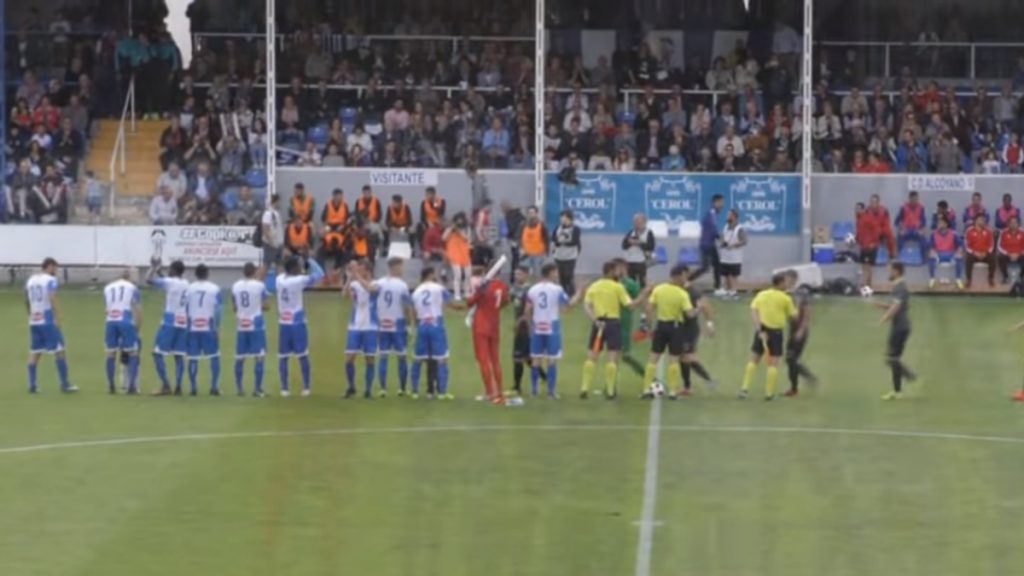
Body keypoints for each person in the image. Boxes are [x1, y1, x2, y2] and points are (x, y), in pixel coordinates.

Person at [581, 260, 649, 399]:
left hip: (598, 323)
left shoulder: (594, 286)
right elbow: (630, 306)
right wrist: (643, 294)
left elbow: (587, 305)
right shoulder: (617, 287)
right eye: (617, 271)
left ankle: (584, 388)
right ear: (611, 271)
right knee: (612, 357)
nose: (620, 273)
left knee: (592, 356)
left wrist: (595, 320)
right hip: (613, 323)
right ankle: (611, 391)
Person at [524, 263, 581, 399]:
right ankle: (551, 392)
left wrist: (530, 325)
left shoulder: (533, 289)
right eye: (555, 272)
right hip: (552, 326)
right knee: (552, 360)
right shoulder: (557, 289)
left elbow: (527, 310)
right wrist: (579, 294)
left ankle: (534, 391)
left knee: (536, 359)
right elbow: (566, 308)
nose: (557, 275)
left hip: (538, 326)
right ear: (550, 273)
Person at [739, 272, 796, 401]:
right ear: (780, 283)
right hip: (776, 333)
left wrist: (759, 328)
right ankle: (769, 393)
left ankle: (744, 388)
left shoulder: (762, 294)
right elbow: (793, 316)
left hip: (762, 331)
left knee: (754, 360)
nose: (788, 284)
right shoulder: (785, 298)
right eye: (786, 282)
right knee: (773, 363)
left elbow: (753, 310)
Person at [642, 265, 695, 399]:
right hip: (676, 328)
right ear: (677, 277)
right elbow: (690, 314)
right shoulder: (682, 294)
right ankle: (672, 391)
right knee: (674, 359)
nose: (685, 279)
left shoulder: (659, 289)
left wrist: (649, 327)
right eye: (684, 276)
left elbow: (649, 309)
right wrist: (697, 310)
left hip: (661, 326)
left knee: (653, 358)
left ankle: (646, 389)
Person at [276, 256, 325, 396]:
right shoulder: (299, 281)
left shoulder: (279, 279)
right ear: (294, 268)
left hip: (283, 323)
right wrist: (310, 259)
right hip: (297, 322)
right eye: (299, 266)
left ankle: (284, 388)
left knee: (283, 356)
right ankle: (306, 387)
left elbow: (287, 272)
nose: (301, 268)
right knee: (302, 354)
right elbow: (320, 274)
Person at [25, 257, 76, 393]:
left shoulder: (31, 280)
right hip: (47, 320)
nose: (56, 271)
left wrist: (30, 314)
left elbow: (27, 300)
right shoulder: (50, 280)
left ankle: (32, 384)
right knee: (60, 350)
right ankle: (65, 384)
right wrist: (58, 316)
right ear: (50, 266)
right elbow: (53, 297)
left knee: (35, 351)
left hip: (34, 319)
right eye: (55, 268)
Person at [410, 266, 458, 399]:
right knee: (442, 358)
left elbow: (413, 311)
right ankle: (442, 392)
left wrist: (414, 326)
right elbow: (450, 302)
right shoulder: (438, 288)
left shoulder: (416, 291)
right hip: (436, 324)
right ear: (431, 274)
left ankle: (415, 391)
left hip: (422, 325)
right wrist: (462, 309)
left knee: (418, 359)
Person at [467, 265, 510, 403]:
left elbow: (470, 302)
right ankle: (499, 390)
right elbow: (505, 301)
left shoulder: (484, 286)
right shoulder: (502, 286)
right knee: (495, 359)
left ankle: (490, 392)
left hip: (481, 325)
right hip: (494, 324)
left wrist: (476, 293)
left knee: (484, 360)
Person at [146, 259, 189, 395]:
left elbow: (148, 280)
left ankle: (165, 385)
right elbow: (168, 283)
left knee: (157, 353)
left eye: (170, 269)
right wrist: (160, 271)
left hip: (170, 321)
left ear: (174, 271)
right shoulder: (186, 283)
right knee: (179, 355)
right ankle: (178, 387)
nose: (168, 271)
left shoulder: (170, 282)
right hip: (183, 322)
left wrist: (153, 268)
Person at [876, 262, 917, 400]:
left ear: (897, 271)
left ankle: (908, 376)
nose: (889, 273)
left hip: (900, 327)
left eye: (891, 270)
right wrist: (881, 305)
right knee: (892, 359)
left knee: (891, 359)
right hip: (901, 326)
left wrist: (884, 319)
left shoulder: (900, 287)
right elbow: (894, 305)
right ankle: (898, 390)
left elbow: (896, 307)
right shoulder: (899, 286)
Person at [375, 257, 413, 396]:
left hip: (383, 323)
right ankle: (402, 388)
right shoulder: (402, 285)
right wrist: (409, 326)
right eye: (401, 266)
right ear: (394, 267)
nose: (402, 269)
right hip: (398, 324)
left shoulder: (378, 283)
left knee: (383, 356)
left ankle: (383, 389)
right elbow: (407, 307)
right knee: (401, 357)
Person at [343, 260, 380, 399]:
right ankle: (351, 386)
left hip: (370, 326)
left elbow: (371, 290)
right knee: (349, 358)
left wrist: (357, 277)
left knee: (370, 359)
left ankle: (368, 390)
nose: (358, 270)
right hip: (355, 326)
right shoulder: (354, 284)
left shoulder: (376, 283)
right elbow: (344, 296)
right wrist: (348, 279)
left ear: (368, 270)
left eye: (361, 269)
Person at [231, 262, 269, 397]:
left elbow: (234, 307)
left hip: (242, 324)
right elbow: (266, 306)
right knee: (260, 356)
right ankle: (257, 389)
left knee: (240, 357)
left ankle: (239, 388)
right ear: (254, 272)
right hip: (256, 324)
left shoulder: (235, 286)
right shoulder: (260, 286)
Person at [185, 264, 222, 396]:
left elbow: (185, 307)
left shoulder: (189, 288)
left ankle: (193, 387)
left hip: (193, 327)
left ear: (195, 274)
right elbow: (218, 310)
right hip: (208, 327)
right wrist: (217, 327)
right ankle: (214, 387)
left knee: (193, 358)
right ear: (207, 274)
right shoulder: (214, 289)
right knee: (214, 357)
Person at [103, 270, 142, 395]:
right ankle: (132, 386)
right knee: (133, 352)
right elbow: (138, 310)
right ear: (129, 277)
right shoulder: (132, 288)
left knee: (110, 354)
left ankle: (111, 386)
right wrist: (137, 328)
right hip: (125, 320)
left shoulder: (107, 288)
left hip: (110, 322)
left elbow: (107, 309)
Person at [679, 271, 717, 395]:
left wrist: (709, 324)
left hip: (689, 329)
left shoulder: (693, 291)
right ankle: (687, 386)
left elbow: (705, 306)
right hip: (680, 327)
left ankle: (708, 380)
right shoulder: (677, 288)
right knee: (683, 358)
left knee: (686, 357)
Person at [783, 269, 818, 396]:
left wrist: (802, 329)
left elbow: (807, 311)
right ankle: (795, 387)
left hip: (799, 329)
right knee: (790, 359)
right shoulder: (787, 294)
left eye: (788, 280)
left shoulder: (802, 293)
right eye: (785, 280)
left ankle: (807, 380)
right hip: (792, 329)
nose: (786, 282)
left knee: (791, 358)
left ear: (794, 279)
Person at [927, 215, 964, 290]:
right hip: (938, 254)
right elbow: (931, 246)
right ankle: (932, 279)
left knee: (959, 260)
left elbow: (960, 245)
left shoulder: (954, 234)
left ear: (946, 224)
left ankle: (958, 279)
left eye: (941, 223)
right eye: (938, 223)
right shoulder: (933, 234)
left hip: (951, 254)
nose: (939, 224)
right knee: (931, 259)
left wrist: (959, 252)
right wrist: (932, 252)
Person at [551, 210, 582, 296]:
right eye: (561, 218)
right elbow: (553, 239)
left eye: (565, 218)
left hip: (570, 256)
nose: (563, 220)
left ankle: (572, 293)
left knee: (568, 275)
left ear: (570, 219)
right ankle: (563, 292)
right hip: (559, 256)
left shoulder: (576, 229)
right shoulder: (558, 227)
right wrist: (555, 246)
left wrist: (562, 243)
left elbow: (575, 241)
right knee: (561, 276)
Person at [621, 213, 655, 289]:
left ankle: (643, 296)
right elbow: (623, 246)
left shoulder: (649, 233)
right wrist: (630, 243)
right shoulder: (631, 232)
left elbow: (651, 247)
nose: (637, 224)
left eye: (639, 222)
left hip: (641, 261)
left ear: (644, 222)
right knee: (630, 282)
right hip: (629, 260)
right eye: (635, 222)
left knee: (642, 282)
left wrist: (640, 243)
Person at [443, 213, 472, 301]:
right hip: (454, 254)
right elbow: (443, 238)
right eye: (458, 219)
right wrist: (451, 228)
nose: (460, 221)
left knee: (468, 274)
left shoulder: (467, 229)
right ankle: (457, 294)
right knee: (458, 275)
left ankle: (466, 292)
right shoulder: (450, 229)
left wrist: (458, 231)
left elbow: (467, 238)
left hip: (464, 253)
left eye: (461, 219)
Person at [321, 188, 351, 272]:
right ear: (333, 196)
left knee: (345, 238)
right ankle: (327, 252)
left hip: (341, 227)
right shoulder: (328, 204)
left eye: (340, 196)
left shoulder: (345, 205)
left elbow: (347, 219)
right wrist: (327, 226)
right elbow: (323, 218)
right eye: (337, 196)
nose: (338, 197)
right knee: (323, 233)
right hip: (330, 226)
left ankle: (338, 263)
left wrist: (343, 225)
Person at [719, 209, 747, 299]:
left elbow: (744, 241)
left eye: (729, 215)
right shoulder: (726, 226)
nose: (727, 217)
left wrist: (733, 245)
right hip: (725, 256)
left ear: (734, 216)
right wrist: (723, 241)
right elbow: (722, 235)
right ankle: (728, 291)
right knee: (726, 274)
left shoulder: (740, 228)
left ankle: (734, 291)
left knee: (734, 275)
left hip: (735, 256)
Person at [964, 214, 995, 288]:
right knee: (968, 258)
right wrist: (974, 253)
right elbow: (966, 245)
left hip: (985, 254)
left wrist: (986, 252)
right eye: (981, 219)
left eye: (983, 220)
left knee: (992, 258)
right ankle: (969, 279)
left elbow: (991, 245)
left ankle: (990, 278)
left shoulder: (988, 231)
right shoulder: (969, 231)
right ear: (975, 221)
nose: (983, 221)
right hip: (974, 254)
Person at [894, 191, 928, 261]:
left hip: (916, 230)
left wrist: (921, 230)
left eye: (916, 199)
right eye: (913, 199)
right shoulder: (903, 207)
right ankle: (899, 257)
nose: (914, 201)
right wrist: (901, 229)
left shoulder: (921, 208)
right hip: (906, 230)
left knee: (923, 240)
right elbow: (897, 221)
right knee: (899, 238)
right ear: (909, 199)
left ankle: (923, 258)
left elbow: (923, 221)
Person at [260, 193, 284, 291]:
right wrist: (270, 241)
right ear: (276, 201)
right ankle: (260, 286)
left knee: (279, 265)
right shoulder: (268, 213)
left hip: (278, 242)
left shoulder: (276, 213)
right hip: (271, 243)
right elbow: (265, 228)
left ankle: (281, 287)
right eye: (279, 201)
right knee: (266, 265)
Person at [520, 206, 548, 278]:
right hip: (526, 254)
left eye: (532, 212)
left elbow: (546, 238)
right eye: (529, 213)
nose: (530, 214)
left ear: (536, 213)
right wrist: (520, 248)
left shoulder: (541, 224)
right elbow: (519, 237)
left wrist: (546, 251)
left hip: (538, 253)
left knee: (537, 274)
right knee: (525, 274)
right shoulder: (523, 224)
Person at [998, 217, 1024, 283]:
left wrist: (1019, 254)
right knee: (1000, 257)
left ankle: (1021, 277)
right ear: (1008, 224)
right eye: (1011, 222)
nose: (1013, 224)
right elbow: (999, 246)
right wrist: (1008, 254)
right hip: (1007, 254)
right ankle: (1005, 277)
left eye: (1015, 222)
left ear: (1018, 223)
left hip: (1020, 254)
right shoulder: (1003, 232)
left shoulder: (1023, 232)